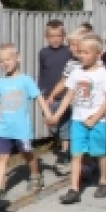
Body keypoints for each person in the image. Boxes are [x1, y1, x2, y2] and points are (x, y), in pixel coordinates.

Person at [48, 35, 106, 201]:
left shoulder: (103, 74)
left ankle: (104, 182)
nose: (82, 56)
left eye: (86, 52)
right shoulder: (76, 72)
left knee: (100, 153)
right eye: (80, 52)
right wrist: (56, 116)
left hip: (97, 121)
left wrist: (95, 118)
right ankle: (74, 189)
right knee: (76, 154)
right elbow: (68, 96)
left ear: (97, 54)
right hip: (78, 121)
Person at [0, 44, 51, 197]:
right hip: (3, 128)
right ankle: (0, 186)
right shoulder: (0, 83)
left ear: (18, 58)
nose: (5, 63)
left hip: (21, 128)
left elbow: (39, 97)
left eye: (8, 59)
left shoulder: (26, 80)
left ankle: (36, 175)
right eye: (1, 61)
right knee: (1, 157)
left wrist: (48, 114)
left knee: (27, 153)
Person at [48, 26, 89, 172]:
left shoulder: (95, 63)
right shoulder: (71, 64)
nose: (70, 48)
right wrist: (52, 95)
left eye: (73, 45)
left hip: (90, 107)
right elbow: (63, 81)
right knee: (75, 133)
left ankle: (93, 161)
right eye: (70, 45)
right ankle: (77, 163)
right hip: (75, 105)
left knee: (89, 137)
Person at [37, 20, 72, 165]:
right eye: (52, 36)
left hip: (64, 95)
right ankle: (58, 140)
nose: (55, 39)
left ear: (63, 36)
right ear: (46, 37)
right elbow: (42, 73)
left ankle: (65, 151)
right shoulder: (43, 53)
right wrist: (41, 92)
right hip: (48, 95)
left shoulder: (68, 52)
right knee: (52, 124)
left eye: (58, 36)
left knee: (65, 123)